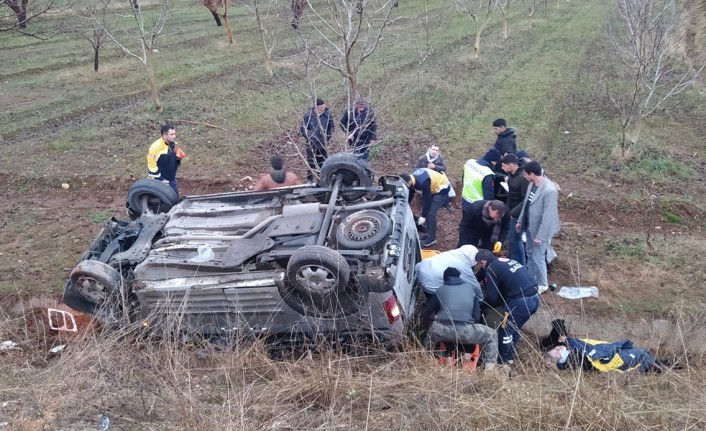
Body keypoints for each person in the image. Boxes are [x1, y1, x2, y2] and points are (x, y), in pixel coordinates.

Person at [421, 267, 499, 371]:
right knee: (492, 335)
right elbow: (476, 316)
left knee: (430, 339)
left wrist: (428, 324)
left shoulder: (439, 290)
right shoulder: (471, 290)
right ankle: (489, 372)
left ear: (445, 279)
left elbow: (426, 313)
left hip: (442, 331)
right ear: (459, 277)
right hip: (466, 331)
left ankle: (425, 365)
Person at [475, 249, 539, 365]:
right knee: (515, 328)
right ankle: (509, 357)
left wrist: (482, 305)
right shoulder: (506, 261)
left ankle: (501, 361)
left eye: (480, 264)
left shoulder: (491, 269)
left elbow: (492, 297)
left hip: (520, 302)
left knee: (506, 330)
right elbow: (479, 276)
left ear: (483, 262)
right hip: (535, 298)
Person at [516, 161, 560, 294]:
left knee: (539, 257)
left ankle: (542, 283)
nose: (524, 176)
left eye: (525, 174)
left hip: (541, 231)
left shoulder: (549, 190)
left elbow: (548, 217)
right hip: (529, 227)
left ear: (532, 174)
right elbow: (526, 204)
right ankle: (530, 278)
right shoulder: (532, 185)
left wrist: (540, 236)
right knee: (529, 253)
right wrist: (520, 221)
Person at [401, 168, 450, 248]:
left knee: (431, 214)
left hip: (442, 188)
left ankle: (432, 238)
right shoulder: (412, 180)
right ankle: (428, 233)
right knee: (427, 211)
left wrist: (423, 216)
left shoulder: (423, 183)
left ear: (409, 182)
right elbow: (411, 192)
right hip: (433, 187)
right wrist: (406, 204)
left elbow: (427, 200)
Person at [415, 245, 482, 298]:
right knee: (437, 299)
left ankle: (429, 303)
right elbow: (474, 285)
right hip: (431, 281)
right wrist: (480, 298)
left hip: (421, 269)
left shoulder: (452, 253)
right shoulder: (463, 265)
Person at [500, 154, 530, 265]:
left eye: (504, 166)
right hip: (513, 212)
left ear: (512, 165)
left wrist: (513, 213)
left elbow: (526, 200)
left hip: (520, 214)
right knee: (513, 240)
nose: (502, 168)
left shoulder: (523, 178)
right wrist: (506, 209)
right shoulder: (511, 175)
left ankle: (521, 264)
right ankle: (515, 260)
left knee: (515, 240)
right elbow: (511, 195)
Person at [300, 98, 335, 184]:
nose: (323, 109)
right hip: (311, 144)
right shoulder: (308, 115)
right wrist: (309, 137)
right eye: (321, 107)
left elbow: (331, 127)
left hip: (323, 144)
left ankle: (322, 179)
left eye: (324, 107)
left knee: (323, 162)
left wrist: (328, 137)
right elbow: (303, 128)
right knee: (311, 162)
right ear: (316, 107)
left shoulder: (328, 114)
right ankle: (310, 179)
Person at [147, 124, 184, 196]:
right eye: (172, 134)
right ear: (165, 135)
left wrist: (177, 161)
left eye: (174, 134)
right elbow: (151, 166)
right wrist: (161, 180)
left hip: (171, 178)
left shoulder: (171, 144)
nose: (174, 136)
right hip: (161, 182)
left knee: (175, 201)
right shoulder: (155, 147)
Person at [416, 144, 453, 211]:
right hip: (426, 177)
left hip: (437, 176)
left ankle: (446, 204)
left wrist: (435, 167)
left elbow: (444, 168)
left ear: (438, 152)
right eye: (433, 149)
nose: (434, 151)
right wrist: (425, 169)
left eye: (436, 150)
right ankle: (424, 207)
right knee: (426, 191)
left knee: (445, 186)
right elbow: (416, 169)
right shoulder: (422, 158)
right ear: (430, 149)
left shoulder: (440, 157)